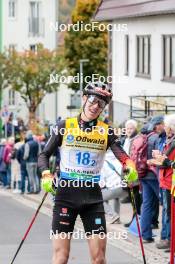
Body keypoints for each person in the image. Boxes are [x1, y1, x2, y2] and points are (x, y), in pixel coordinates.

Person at [38, 82, 138, 264]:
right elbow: (44, 154)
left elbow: (122, 155)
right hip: (66, 196)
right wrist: (46, 174)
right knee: (61, 257)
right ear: (84, 98)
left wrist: (130, 165)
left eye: (101, 104)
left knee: (99, 259)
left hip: (93, 198)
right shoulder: (64, 125)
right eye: (92, 100)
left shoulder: (105, 131)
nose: (95, 106)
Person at [152, 114, 175, 251]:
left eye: (166, 125)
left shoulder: (172, 141)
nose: (165, 128)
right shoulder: (170, 140)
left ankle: (171, 242)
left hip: (170, 181)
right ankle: (170, 241)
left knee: (170, 213)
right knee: (168, 212)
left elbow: (167, 162)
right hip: (166, 180)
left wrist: (161, 160)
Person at [100, 149, 127, 224]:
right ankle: (117, 219)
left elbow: (102, 181)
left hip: (115, 188)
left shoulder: (103, 160)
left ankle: (113, 216)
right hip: (126, 187)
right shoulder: (118, 156)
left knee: (98, 198)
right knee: (116, 197)